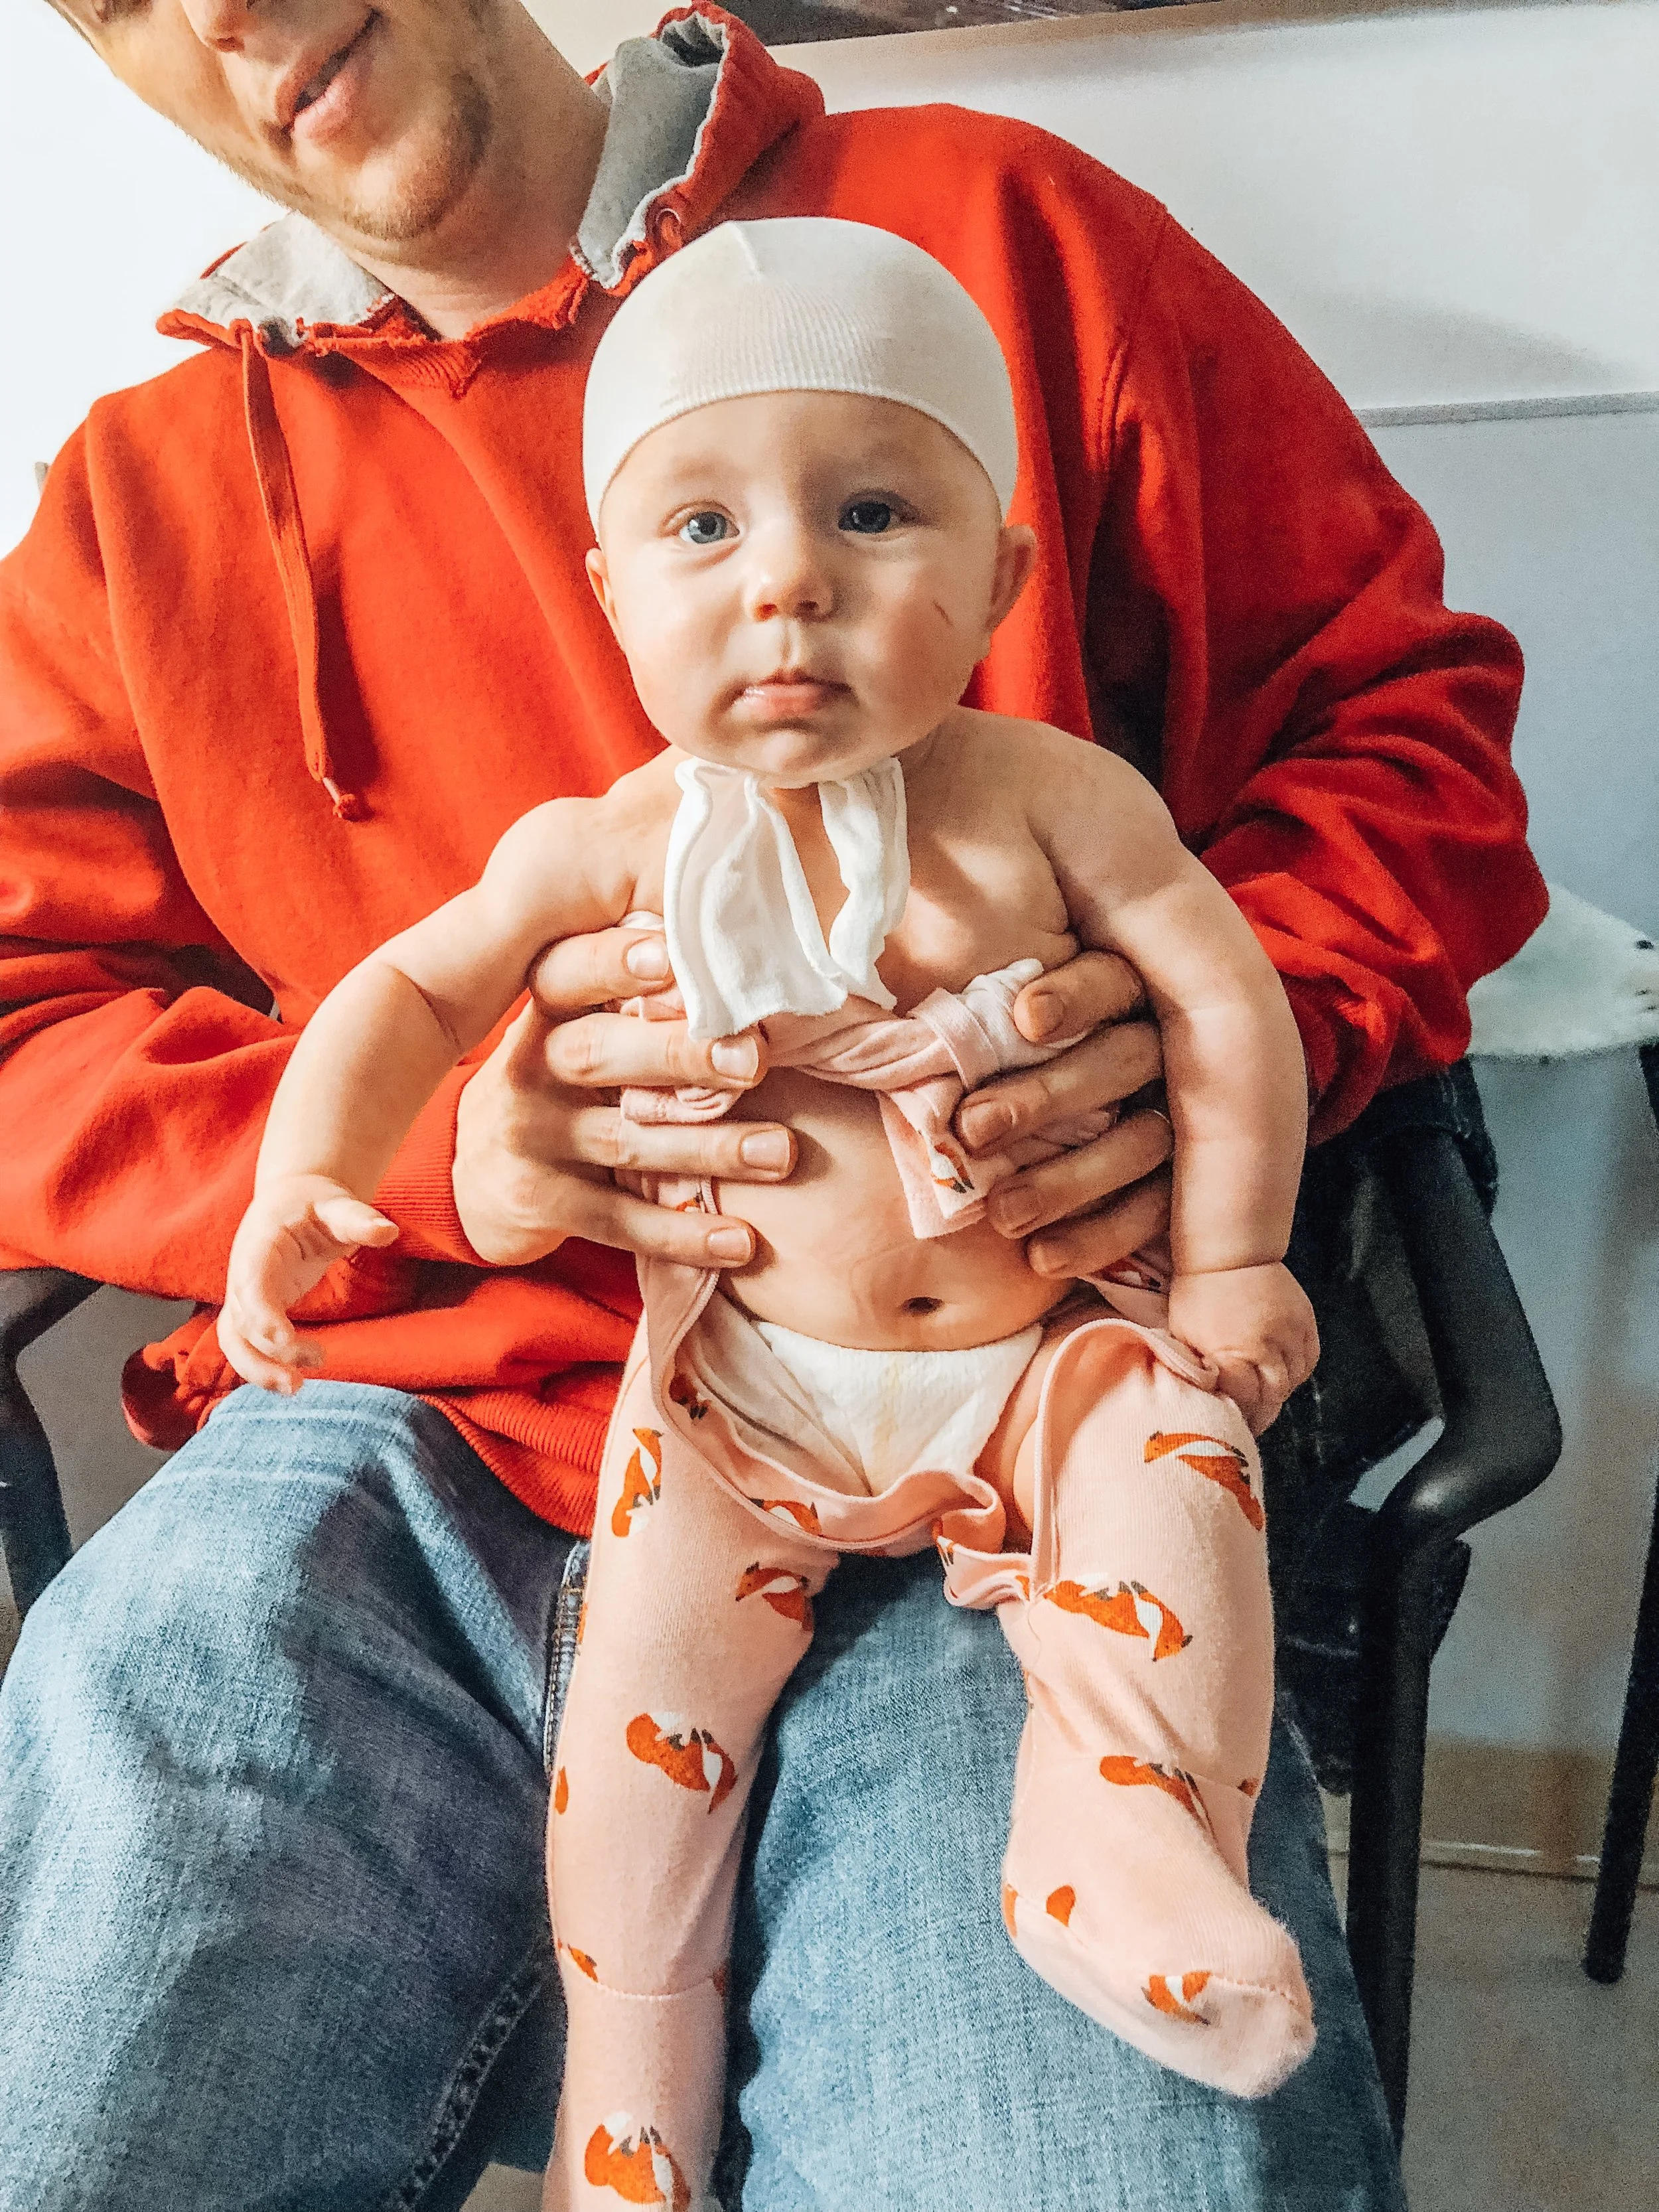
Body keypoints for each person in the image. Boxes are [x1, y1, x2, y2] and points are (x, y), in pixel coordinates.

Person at [0, 5, 1544, 2209]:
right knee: (84, 2128)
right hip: (388, 1421)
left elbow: (1401, 730)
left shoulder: (1011, 236)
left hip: (989, 1432)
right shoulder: (137, 497)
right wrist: (439, 1153)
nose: (214, 7)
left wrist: (1216, 1026)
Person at [216, 216, 1325, 2209]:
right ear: (612, 593)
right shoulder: (607, 841)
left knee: (1184, 1475)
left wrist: (1234, 1257)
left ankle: (1124, 1837)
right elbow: (409, 990)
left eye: (872, 513)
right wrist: (317, 1169)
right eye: (704, 528)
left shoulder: (1055, 800)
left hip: (1039, 1374)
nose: (789, 580)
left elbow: (1224, 1002)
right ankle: (624, 2119)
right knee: (634, 1759)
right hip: (737, 1406)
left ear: (997, 580)